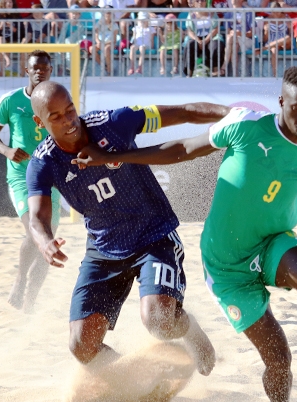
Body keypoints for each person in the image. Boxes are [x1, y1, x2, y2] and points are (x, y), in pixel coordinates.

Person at [73, 66, 297, 402]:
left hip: (273, 242)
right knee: (279, 358)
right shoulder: (246, 125)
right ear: (281, 102)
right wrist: (118, 156)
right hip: (227, 267)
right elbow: (183, 147)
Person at [26, 81, 228, 375]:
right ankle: (136, 379)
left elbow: (183, 111)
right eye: (55, 116)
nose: (68, 120)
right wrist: (45, 242)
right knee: (81, 346)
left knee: (159, 322)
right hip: (104, 248)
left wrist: (231, 112)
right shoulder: (43, 162)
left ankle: (189, 328)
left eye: (70, 109)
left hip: (153, 235)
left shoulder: (114, 122)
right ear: (39, 122)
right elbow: (37, 218)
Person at [0, 51, 62, 314]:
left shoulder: (58, 98)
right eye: (35, 68)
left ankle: (31, 299)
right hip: (20, 175)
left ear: (51, 70)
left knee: (48, 240)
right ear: (26, 70)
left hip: (51, 175)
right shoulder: (11, 100)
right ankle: (20, 279)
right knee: (34, 230)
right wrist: (7, 150)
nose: (40, 71)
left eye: (45, 68)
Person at [184, 0, 223, 77]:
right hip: (196, 38)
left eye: (202, 0)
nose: (200, 2)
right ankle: (189, 73)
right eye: (197, 0)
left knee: (216, 45)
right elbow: (189, 30)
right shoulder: (191, 14)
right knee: (190, 45)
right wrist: (198, 40)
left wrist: (206, 40)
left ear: (206, 2)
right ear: (194, 3)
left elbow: (216, 28)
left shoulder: (211, 13)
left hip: (210, 37)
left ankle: (215, 72)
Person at [91, 6, 119, 76]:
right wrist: (98, 42)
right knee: (92, 49)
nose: (107, 14)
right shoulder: (99, 24)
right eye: (106, 12)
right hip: (101, 43)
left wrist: (104, 43)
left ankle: (109, 71)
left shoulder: (115, 25)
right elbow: (96, 36)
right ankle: (104, 67)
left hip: (110, 43)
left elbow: (114, 40)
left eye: (109, 12)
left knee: (106, 49)